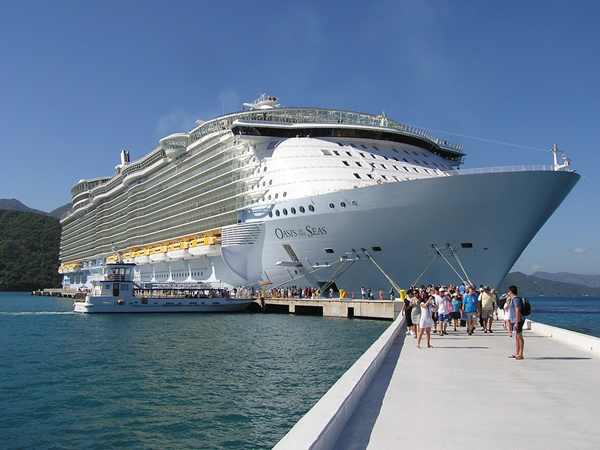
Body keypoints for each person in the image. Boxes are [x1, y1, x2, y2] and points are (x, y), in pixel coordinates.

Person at [507, 285, 525, 359]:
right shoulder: (512, 299)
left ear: (511, 291)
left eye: (508, 291)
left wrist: (516, 322)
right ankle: (517, 352)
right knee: (516, 337)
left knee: (519, 337)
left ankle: (521, 354)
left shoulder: (516, 299)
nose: (508, 292)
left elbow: (517, 311)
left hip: (518, 320)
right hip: (514, 320)